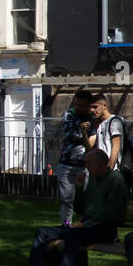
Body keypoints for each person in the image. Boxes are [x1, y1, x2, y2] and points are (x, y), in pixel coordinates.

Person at [18, 149, 128, 266]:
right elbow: (80, 209)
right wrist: (79, 187)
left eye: (89, 163)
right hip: (86, 227)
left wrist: (86, 224)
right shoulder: (94, 180)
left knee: (73, 235)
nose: (85, 166)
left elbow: (111, 212)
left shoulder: (116, 180)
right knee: (43, 232)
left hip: (105, 229)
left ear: (100, 164)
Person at [56, 90, 93, 226]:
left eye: (81, 106)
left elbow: (92, 139)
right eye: (76, 105)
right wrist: (83, 131)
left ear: (89, 106)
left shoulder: (92, 117)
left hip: (85, 164)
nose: (78, 108)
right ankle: (66, 225)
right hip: (66, 163)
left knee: (86, 197)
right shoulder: (69, 114)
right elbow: (71, 133)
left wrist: (85, 133)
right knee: (67, 198)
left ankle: (85, 225)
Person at [87, 93, 125, 175]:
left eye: (95, 107)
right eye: (90, 107)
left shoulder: (114, 121)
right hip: (100, 169)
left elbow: (116, 146)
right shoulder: (99, 123)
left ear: (104, 106)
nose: (92, 110)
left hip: (112, 170)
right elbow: (89, 145)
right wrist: (84, 130)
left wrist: (109, 168)